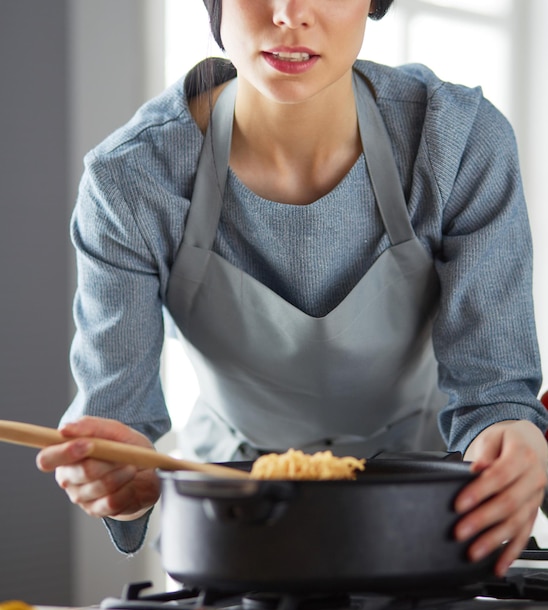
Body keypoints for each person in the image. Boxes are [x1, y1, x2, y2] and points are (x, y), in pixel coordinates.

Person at [37, 0, 548, 577]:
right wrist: (115, 473)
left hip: (427, 510)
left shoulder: (458, 141)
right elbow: (118, 426)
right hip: (235, 523)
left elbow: (493, 395)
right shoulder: (130, 180)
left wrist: (512, 437)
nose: (289, 12)